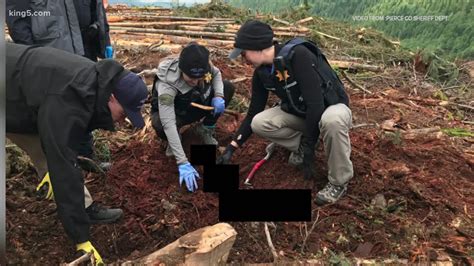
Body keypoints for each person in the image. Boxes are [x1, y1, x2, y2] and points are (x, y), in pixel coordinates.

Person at [6, 43, 148, 264]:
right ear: (112, 98)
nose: (123, 120)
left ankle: (84, 208)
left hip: (25, 96)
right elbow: (63, 163)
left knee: (55, 155)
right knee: (59, 164)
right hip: (9, 94)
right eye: (123, 113)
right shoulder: (68, 99)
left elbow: (75, 133)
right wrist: (81, 239)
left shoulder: (96, 84)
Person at [218, 20, 353, 205]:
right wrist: (232, 148)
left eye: (244, 53)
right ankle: (302, 146)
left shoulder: (298, 55)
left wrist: (309, 146)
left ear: (257, 48)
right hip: (304, 114)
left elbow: (316, 104)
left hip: (331, 107)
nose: (244, 59)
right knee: (260, 122)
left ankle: (339, 181)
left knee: (332, 121)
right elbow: (252, 114)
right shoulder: (262, 73)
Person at [151, 43, 235, 192]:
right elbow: (168, 122)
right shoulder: (167, 85)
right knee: (160, 124)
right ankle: (174, 141)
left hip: (195, 104)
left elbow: (216, 74)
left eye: (199, 77)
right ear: (182, 70)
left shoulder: (203, 64)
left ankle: (205, 129)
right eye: (190, 77)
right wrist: (182, 162)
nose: (195, 81)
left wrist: (219, 96)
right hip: (175, 114)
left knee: (227, 87)